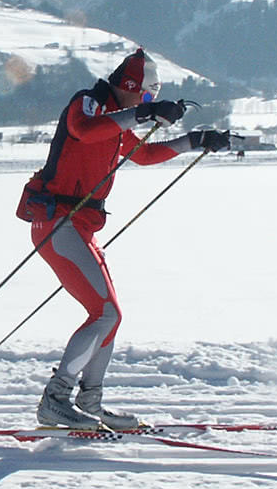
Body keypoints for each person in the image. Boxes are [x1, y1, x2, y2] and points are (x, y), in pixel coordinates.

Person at [15, 48, 231, 430]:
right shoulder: (89, 104)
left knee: (110, 318)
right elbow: (83, 130)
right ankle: (55, 400)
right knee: (105, 313)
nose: (146, 102)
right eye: (145, 95)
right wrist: (145, 113)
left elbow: (143, 154)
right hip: (57, 223)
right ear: (131, 88)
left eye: (150, 99)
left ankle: (90, 402)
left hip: (79, 226)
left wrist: (195, 140)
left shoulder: (115, 119)